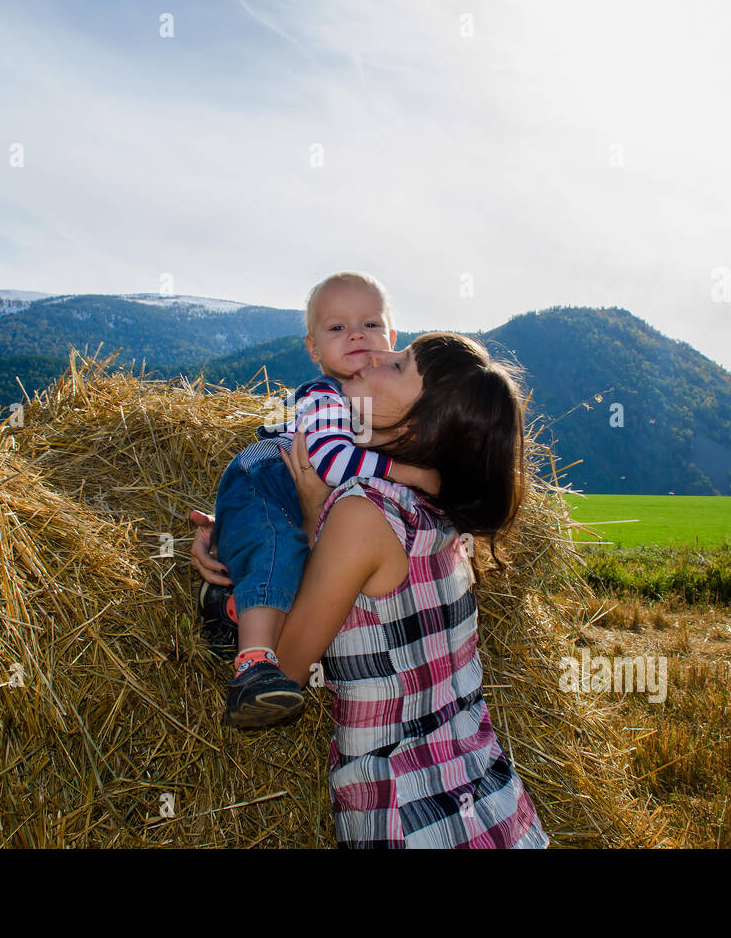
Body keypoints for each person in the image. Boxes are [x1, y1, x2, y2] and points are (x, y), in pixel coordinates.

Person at [190, 332, 550, 848]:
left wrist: (313, 512)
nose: (375, 355)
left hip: (408, 817)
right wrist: (230, 533)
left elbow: (285, 667)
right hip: (498, 809)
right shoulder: (440, 508)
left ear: (420, 428)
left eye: (400, 366)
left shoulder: (362, 511)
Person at [201, 272, 440, 728]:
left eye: (370, 325)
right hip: (265, 475)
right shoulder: (324, 396)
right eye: (337, 328)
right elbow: (330, 465)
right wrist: (408, 473)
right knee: (274, 547)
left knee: (286, 556)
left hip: (289, 489)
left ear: (392, 338)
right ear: (313, 350)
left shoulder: (380, 411)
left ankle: (229, 605)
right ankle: (255, 665)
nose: (355, 334)